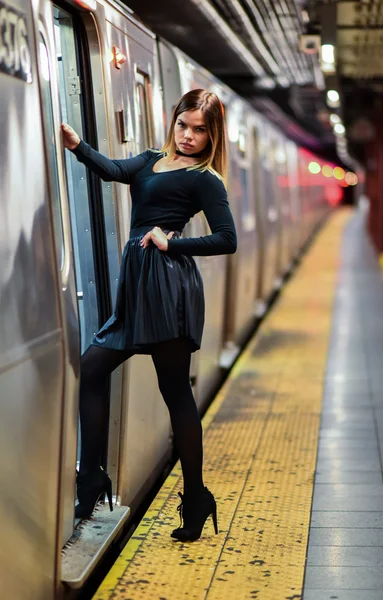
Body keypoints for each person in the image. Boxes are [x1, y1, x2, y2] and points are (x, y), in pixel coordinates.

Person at [61, 89, 237, 542]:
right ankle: (93, 477)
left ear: (212, 134)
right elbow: (113, 171)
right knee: (93, 366)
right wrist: (77, 144)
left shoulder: (206, 179)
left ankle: (196, 499)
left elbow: (226, 239)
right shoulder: (150, 158)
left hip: (169, 286)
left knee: (175, 390)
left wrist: (171, 241)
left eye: (201, 130)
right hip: (138, 285)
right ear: (173, 120)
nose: (189, 136)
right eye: (184, 124)